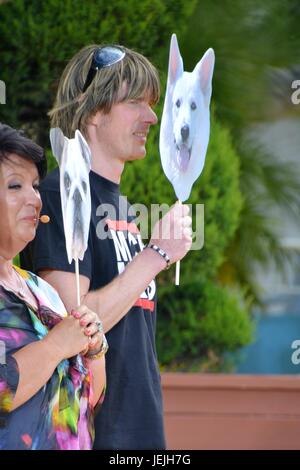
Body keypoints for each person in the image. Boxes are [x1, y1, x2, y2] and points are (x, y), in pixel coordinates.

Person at [21, 44, 192, 450]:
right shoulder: (59, 194)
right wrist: (156, 256)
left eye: (151, 105)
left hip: (143, 433)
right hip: (91, 435)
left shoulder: (122, 207)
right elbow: (73, 322)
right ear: (95, 112)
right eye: (135, 103)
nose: (151, 117)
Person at [0, 123, 106, 450]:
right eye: (15, 186)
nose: (35, 198)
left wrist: (95, 349)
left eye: (34, 185)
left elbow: (89, 399)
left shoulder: (41, 292)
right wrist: (57, 346)